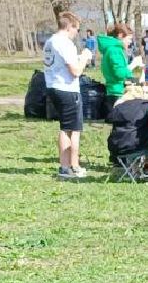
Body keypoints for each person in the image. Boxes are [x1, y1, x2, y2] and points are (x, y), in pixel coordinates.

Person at [42, 11, 91, 179]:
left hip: (53, 86)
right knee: (73, 130)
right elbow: (76, 71)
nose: (76, 33)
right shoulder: (65, 43)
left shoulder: (50, 41)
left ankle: (65, 166)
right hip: (67, 89)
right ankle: (73, 166)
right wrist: (84, 58)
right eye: (76, 29)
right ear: (69, 27)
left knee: (65, 127)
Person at [97, 23, 134, 115]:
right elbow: (119, 73)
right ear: (121, 35)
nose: (130, 42)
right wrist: (133, 65)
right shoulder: (115, 50)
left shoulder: (112, 49)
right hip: (117, 92)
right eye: (129, 39)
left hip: (113, 90)